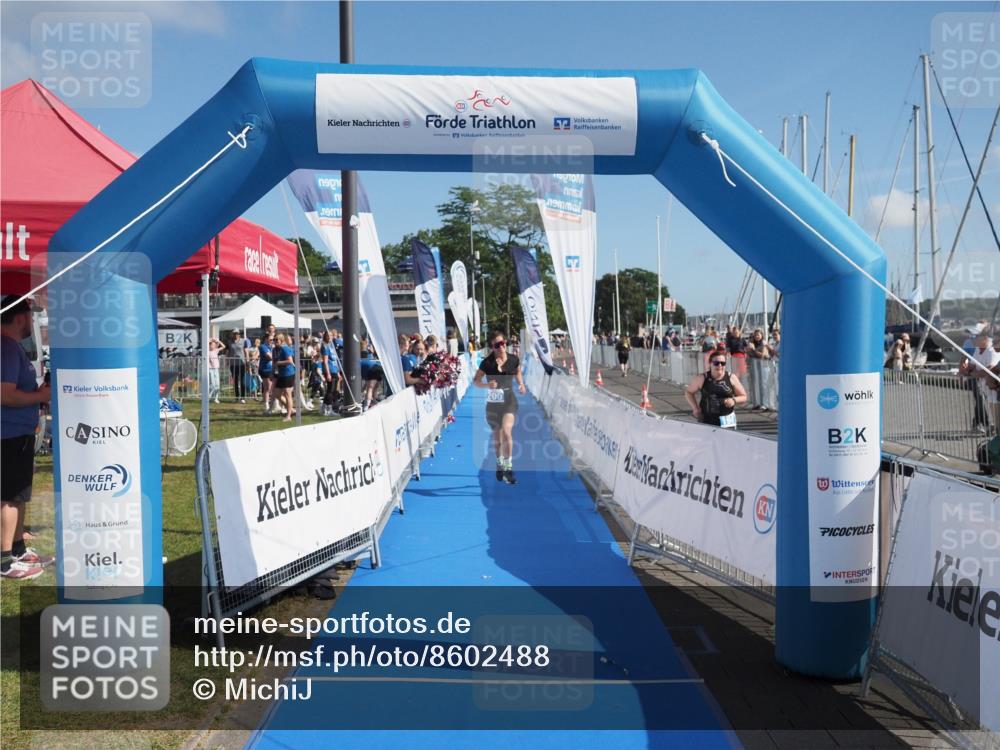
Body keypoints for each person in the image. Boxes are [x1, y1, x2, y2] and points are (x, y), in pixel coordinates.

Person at [1, 297, 54, 580]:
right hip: (8, 434)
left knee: (18, 495)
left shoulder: (11, 347)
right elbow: (6, 395)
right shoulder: (7, 347)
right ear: (20, 317)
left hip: (17, 434)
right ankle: (5, 561)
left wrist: (37, 394)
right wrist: (40, 396)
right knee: (9, 498)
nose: (31, 322)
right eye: (30, 316)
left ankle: (18, 550)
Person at [473, 331, 526, 484]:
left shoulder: (513, 359)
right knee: (498, 439)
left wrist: (521, 383)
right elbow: (476, 381)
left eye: (503, 343)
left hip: (509, 400)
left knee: (507, 432)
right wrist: (486, 385)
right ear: (492, 347)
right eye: (497, 345)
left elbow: (517, 372)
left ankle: (508, 468)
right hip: (493, 404)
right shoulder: (487, 363)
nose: (501, 346)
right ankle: (499, 464)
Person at [684, 349, 748, 428]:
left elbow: (744, 396)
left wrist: (734, 400)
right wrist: (695, 408)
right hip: (707, 419)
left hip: (727, 420)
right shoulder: (702, 378)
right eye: (716, 363)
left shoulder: (731, 377)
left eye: (723, 363)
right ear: (710, 363)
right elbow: (689, 392)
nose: (720, 365)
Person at [960, 331, 1000, 433]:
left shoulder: (992, 350)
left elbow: (988, 370)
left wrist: (971, 373)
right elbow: (972, 365)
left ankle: (991, 427)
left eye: (976, 337)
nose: (973, 340)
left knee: (994, 407)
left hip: (994, 386)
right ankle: (992, 427)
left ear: (984, 338)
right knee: (989, 406)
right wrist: (967, 369)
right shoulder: (978, 349)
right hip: (986, 386)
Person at [273, 332, 296, 422]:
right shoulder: (275, 349)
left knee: (287, 394)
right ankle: (292, 410)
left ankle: (288, 416)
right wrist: (272, 373)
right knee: (277, 394)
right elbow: (274, 362)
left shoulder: (285, 348)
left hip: (288, 373)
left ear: (281, 340)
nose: (275, 341)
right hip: (280, 374)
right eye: (274, 340)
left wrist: (278, 363)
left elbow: (290, 361)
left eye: (277, 340)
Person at [226, 329, 248, 404]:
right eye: (234, 334)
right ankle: (237, 397)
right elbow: (227, 352)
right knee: (235, 380)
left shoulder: (243, 341)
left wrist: (247, 360)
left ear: (239, 334)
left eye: (237, 333)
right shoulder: (229, 342)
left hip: (242, 363)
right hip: (233, 364)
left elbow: (246, 351)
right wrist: (227, 361)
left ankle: (243, 397)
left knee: (242, 380)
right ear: (232, 334)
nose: (236, 335)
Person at [258, 334, 274, 413]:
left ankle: (269, 404)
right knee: (268, 388)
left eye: (273, 340)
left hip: (271, 369)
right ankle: (267, 404)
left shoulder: (271, 347)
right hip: (265, 369)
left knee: (270, 388)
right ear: (266, 339)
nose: (272, 341)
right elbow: (270, 357)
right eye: (271, 340)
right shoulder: (263, 347)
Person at [207, 337, 224, 404]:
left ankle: (215, 398)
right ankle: (209, 396)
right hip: (210, 369)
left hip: (216, 369)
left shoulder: (216, 350)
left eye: (214, 345)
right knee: (213, 385)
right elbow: (205, 345)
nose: (213, 346)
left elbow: (223, 346)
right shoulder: (207, 351)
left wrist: (218, 341)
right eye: (212, 345)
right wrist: (210, 340)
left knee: (217, 385)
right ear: (209, 345)